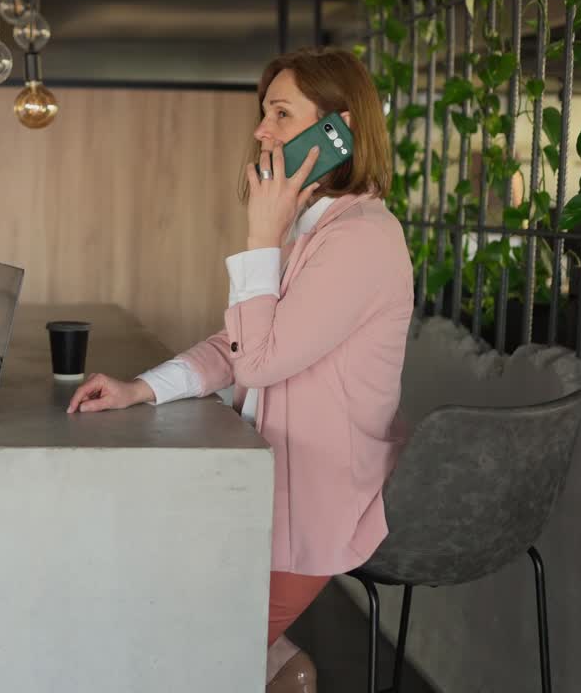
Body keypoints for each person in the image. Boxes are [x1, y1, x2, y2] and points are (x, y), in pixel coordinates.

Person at [66, 47, 412, 693]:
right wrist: (143, 387)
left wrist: (259, 237)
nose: (261, 130)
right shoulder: (310, 231)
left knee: (181, 650)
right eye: (264, 113)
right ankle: (284, 672)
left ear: (337, 130)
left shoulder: (361, 238)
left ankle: (276, 669)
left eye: (281, 113)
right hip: (263, 483)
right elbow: (235, 344)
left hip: (317, 502)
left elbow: (260, 358)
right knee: (157, 597)